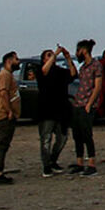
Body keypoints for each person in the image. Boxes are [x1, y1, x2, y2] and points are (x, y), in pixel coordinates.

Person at [38, 45, 76, 176]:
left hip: (61, 111)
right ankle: (46, 166)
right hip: (47, 110)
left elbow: (73, 74)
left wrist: (67, 57)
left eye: (52, 54)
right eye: (48, 55)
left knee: (62, 138)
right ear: (43, 59)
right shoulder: (41, 71)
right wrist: (55, 54)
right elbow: (44, 71)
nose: (52, 56)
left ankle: (53, 160)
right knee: (46, 139)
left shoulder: (60, 71)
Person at [69, 39, 103, 176]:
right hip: (78, 103)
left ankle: (91, 163)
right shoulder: (83, 67)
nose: (77, 53)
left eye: (78, 50)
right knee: (77, 135)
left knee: (87, 134)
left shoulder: (96, 65)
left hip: (88, 105)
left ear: (84, 50)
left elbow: (98, 86)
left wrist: (89, 104)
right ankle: (79, 162)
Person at [0, 51, 21, 184]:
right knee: (2, 144)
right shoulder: (4, 75)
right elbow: (3, 94)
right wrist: (9, 111)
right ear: (9, 61)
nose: (18, 62)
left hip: (5, 115)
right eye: (16, 59)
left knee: (4, 144)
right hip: (3, 116)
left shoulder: (8, 75)